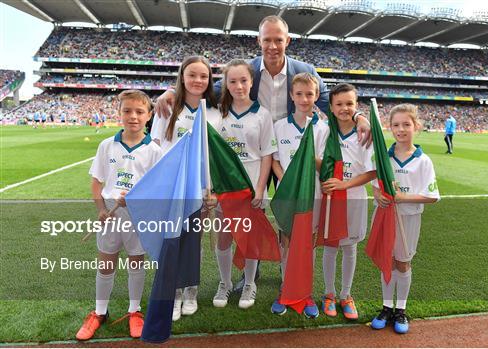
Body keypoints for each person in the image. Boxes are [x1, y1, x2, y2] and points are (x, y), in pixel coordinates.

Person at [154, 15, 372, 291]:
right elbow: (211, 91)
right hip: (258, 152)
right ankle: (248, 275)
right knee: (249, 216)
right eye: (267, 40)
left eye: (278, 40)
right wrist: (170, 92)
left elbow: (332, 100)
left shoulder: (305, 69)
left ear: (287, 41)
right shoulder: (248, 70)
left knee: (288, 212)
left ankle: (287, 270)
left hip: (290, 151)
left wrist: (361, 115)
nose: (272, 46)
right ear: (258, 41)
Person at [76, 90, 162, 341]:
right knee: (106, 264)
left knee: (136, 262)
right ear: (120, 113)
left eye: (139, 112)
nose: (133, 116)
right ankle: (100, 312)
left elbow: (158, 189)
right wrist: (101, 209)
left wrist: (138, 201)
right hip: (111, 215)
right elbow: (96, 182)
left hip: (138, 216)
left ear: (149, 115)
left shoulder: (154, 151)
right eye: (127, 111)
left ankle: (134, 311)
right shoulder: (107, 145)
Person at [150, 55, 222, 321]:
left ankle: (190, 290)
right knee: (172, 240)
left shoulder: (214, 113)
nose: (198, 81)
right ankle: (174, 293)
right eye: (192, 75)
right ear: (182, 77)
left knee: (194, 241)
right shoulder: (168, 108)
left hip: (200, 188)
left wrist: (211, 190)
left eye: (203, 76)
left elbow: (215, 155)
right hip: (172, 187)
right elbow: (155, 149)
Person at [212, 59, 277, 309]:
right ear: (225, 84)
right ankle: (225, 283)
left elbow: (266, 155)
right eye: (232, 81)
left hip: (250, 189)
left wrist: (260, 189)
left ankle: (250, 283)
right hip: (224, 190)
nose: (239, 86)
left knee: (250, 239)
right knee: (224, 238)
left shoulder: (262, 115)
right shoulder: (217, 113)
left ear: (251, 82)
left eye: (243, 80)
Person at [370, 103, 440, 334]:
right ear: (389, 128)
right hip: (385, 217)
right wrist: (379, 195)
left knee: (402, 262)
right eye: (396, 125)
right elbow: (375, 186)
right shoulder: (383, 157)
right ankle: (386, 306)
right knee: (387, 261)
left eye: (406, 124)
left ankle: (401, 309)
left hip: (408, 219)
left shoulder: (423, 161)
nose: (401, 129)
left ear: (416, 126)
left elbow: (431, 196)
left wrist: (402, 197)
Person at [272, 72, 329, 318]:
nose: (304, 99)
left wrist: (309, 156)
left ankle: (305, 293)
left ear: (316, 95)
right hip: (287, 194)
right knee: (286, 240)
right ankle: (286, 288)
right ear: (291, 96)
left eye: (309, 94)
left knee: (308, 242)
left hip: (311, 193)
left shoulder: (323, 128)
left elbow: (325, 165)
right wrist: (286, 180)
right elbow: (275, 160)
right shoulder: (279, 126)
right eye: (299, 94)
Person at [319, 84, 377, 320]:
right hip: (330, 197)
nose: (344, 108)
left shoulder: (364, 133)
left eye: (349, 104)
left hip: (353, 197)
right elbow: (318, 161)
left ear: (356, 107)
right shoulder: (323, 130)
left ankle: (346, 295)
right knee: (331, 246)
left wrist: (344, 184)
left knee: (350, 247)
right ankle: (329, 294)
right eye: (339, 104)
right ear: (331, 108)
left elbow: (373, 171)